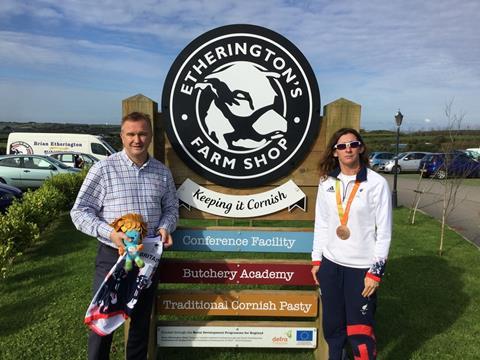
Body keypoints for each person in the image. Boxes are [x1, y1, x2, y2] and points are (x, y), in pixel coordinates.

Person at [71, 112, 179, 360]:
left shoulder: (162, 173)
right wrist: (111, 233)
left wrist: (165, 227)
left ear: (150, 136)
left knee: (141, 322)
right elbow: (79, 212)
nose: (137, 139)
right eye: (131, 134)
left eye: (142, 133)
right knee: (103, 323)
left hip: (147, 259)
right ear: (122, 136)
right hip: (113, 256)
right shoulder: (103, 169)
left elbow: (172, 209)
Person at [311, 128, 392, 360]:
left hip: (361, 269)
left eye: (353, 144)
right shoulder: (326, 182)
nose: (348, 149)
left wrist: (375, 273)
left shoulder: (377, 183)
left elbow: (384, 232)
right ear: (335, 152)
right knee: (333, 329)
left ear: (361, 148)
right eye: (342, 146)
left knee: (360, 332)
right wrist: (317, 260)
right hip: (331, 265)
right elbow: (323, 224)